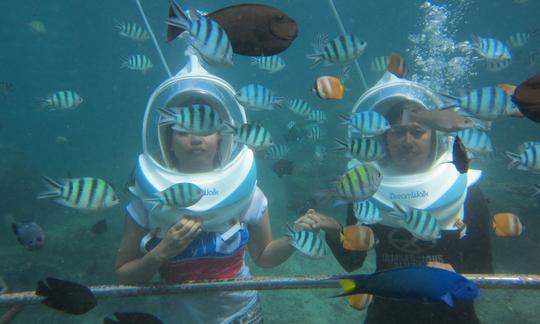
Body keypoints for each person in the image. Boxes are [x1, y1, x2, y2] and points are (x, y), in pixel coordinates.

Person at [296, 73, 493, 324]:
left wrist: (458, 276)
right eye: (397, 133)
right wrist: (334, 230)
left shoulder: (465, 187)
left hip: (452, 314)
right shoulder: (367, 188)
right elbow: (352, 262)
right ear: (384, 138)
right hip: (388, 312)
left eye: (417, 132)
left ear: (435, 136)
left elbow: (485, 272)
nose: (407, 141)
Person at [115, 55, 295, 323]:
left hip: (242, 316)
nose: (196, 138)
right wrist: (161, 252)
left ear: (222, 136)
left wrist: (298, 237)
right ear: (168, 139)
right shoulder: (148, 197)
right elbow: (123, 275)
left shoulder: (247, 191)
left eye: (205, 128)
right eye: (183, 130)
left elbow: (264, 257)